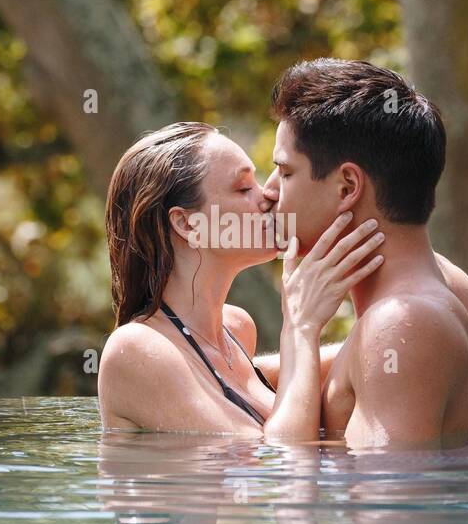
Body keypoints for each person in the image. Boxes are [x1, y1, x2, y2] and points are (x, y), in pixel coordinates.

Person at [97, 121, 384, 439]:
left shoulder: (235, 330)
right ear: (188, 225)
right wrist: (300, 327)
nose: (268, 196)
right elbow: (282, 461)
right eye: (244, 188)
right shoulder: (135, 351)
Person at [255, 59, 468, 447]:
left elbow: (388, 500)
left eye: (286, 172)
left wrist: (300, 328)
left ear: (346, 187)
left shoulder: (402, 322)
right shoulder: (447, 285)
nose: (268, 191)